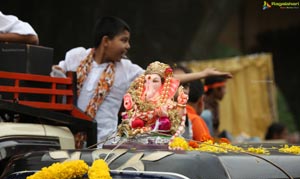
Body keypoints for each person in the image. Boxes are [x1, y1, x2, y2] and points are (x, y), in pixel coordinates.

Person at [51, 16, 231, 148]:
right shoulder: (76, 57)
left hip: (102, 146)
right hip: (68, 141)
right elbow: (56, 74)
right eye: (123, 40)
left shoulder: (127, 69)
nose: (128, 46)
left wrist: (202, 73)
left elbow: (165, 78)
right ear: (106, 40)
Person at [118, 61, 188, 140]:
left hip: (160, 139)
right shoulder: (137, 101)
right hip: (137, 139)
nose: (149, 84)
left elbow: (176, 124)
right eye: (145, 81)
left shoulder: (167, 103)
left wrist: (180, 106)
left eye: (155, 81)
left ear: (163, 84)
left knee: (165, 122)